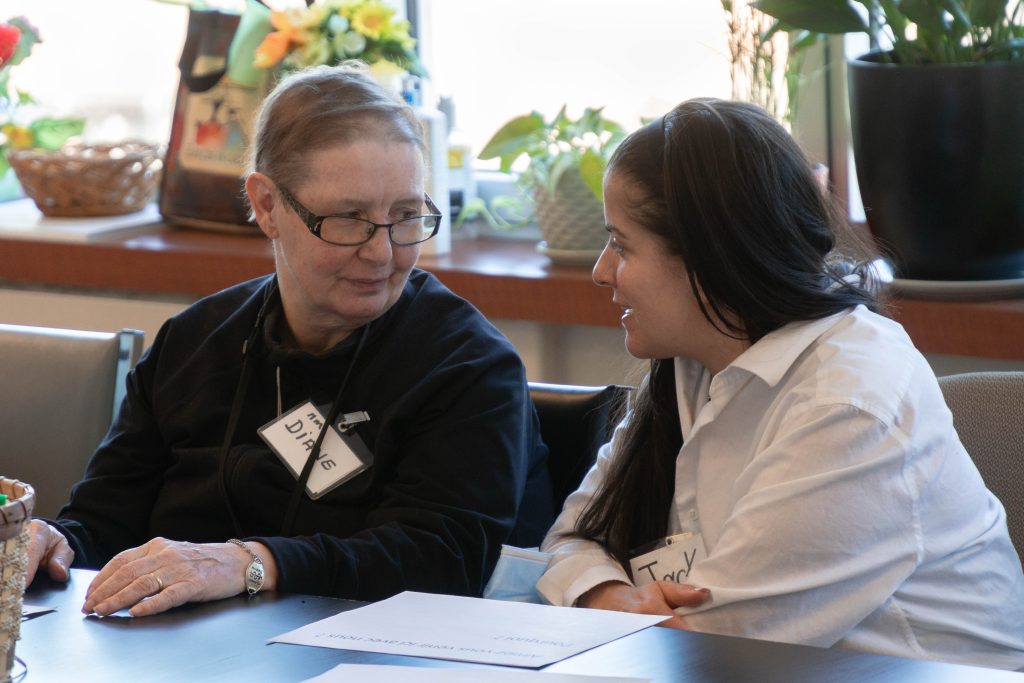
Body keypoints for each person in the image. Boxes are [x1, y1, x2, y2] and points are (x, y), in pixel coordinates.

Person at [26, 62, 552, 617]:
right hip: (173, 646)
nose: (382, 252)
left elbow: (440, 561)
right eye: (349, 218)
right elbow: (103, 523)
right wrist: (56, 544)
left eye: (405, 215)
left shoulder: (466, 366)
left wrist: (252, 564)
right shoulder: (194, 343)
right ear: (267, 206)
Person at [536, 98, 1024, 670]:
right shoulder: (693, 362)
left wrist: (614, 609)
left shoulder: (849, 404)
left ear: (710, 257)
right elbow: (570, 540)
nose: (601, 271)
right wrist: (609, 597)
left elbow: (713, 643)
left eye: (621, 245)